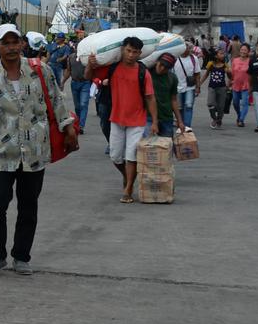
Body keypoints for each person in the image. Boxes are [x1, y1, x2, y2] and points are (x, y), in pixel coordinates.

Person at [0, 24, 75, 275]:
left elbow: (57, 100)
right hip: (2, 154)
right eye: (6, 43)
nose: (12, 48)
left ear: (22, 45)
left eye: (16, 42)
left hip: (34, 152)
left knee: (28, 205)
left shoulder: (40, 71)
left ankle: (21, 256)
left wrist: (67, 127)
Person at [89, 36, 157, 204]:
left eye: (135, 52)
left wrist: (154, 121)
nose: (131, 55)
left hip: (137, 120)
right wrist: (91, 63)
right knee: (116, 156)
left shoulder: (143, 72)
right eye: (128, 50)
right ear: (122, 50)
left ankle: (128, 189)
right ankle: (127, 175)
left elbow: (150, 98)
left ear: (140, 53)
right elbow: (88, 76)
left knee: (131, 156)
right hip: (117, 118)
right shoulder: (112, 69)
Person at [150, 54, 185, 138]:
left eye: (166, 68)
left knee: (166, 148)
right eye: (161, 65)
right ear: (157, 62)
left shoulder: (172, 78)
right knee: (148, 149)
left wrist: (180, 122)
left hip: (166, 117)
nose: (162, 69)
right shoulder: (147, 74)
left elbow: (174, 100)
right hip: (149, 118)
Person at [61, 43, 91, 131]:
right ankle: (78, 123)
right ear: (75, 48)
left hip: (85, 83)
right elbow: (68, 71)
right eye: (78, 48)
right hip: (74, 83)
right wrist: (62, 82)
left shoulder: (86, 58)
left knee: (83, 104)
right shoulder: (71, 57)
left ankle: (81, 126)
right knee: (77, 106)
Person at [171, 48, 201, 129]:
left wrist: (198, 87)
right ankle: (181, 124)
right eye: (186, 47)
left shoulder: (193, 58)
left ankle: (187, 126)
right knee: (179, 108)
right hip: (177, 87)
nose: (188, 49)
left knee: (188, 106)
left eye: (189, 47)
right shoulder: (175, 58)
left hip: (190, 87)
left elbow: (197, 74)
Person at [202, 49, 231, 128]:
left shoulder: (225, 65)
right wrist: (199, 84)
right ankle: (214, 118)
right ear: (216, 55)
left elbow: (230, 77)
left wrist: (229, 73)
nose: (223, 55)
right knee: (210, 103)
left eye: (223, 54)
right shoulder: (210, 64)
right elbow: (206, 74)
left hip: (222, 88)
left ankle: (219, 119)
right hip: (212, 87)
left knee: (221, 106)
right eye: (221, 53)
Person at [228, 43, 252, 126]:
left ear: (248, 51)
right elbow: (232, 73)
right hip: (235, 85)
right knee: (235, 103)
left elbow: (252, 74)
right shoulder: (235, 60)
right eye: (242, 50)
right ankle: (239, 114)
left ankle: (241, 120)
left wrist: (252, 86)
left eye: (245, 50)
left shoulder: (250, 61)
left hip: (246, 85)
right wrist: (229, 83)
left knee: (245, 103)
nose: (243, 51)